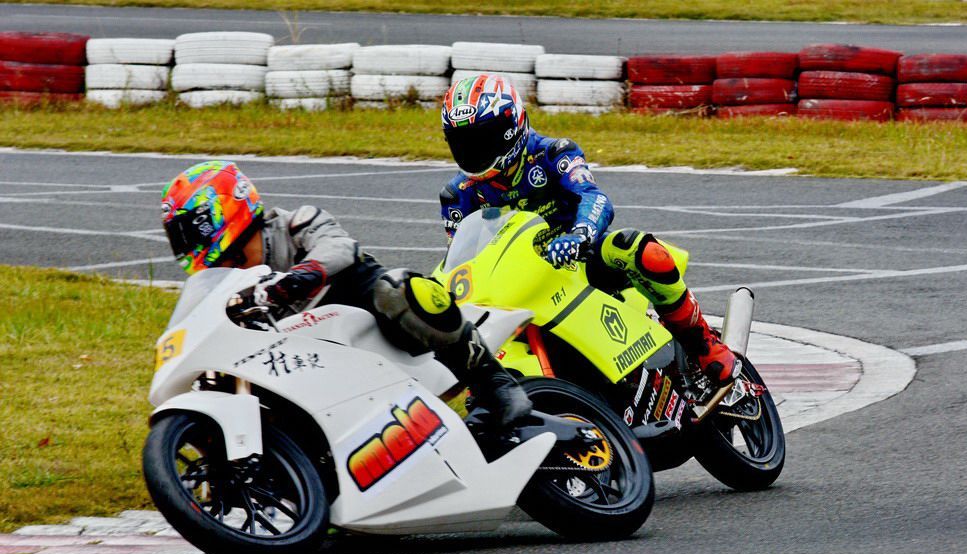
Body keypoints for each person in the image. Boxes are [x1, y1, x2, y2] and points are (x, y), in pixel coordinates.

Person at [161, 159, 531, 427]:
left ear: (221, 211)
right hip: (316, 374)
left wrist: (296, 279)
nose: (185, 243)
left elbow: (338, 247)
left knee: (399, 288)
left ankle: (494, 383)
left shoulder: (296, 224)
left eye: (188, 231)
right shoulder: (227, 286)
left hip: (379, 328)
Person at [439, 75, 737, 384]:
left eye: (481, 139)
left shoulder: (554, 153)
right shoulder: (457, 194)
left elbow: (594, 198)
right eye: (461, 141)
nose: (471, 150)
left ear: (511, 128)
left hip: (578, 258)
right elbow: (462, 257)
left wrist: (580, 235)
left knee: (641, 251)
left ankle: (703, 344)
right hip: (517, 284)